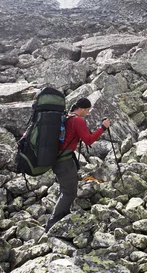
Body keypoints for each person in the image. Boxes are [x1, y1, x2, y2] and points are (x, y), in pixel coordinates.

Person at [45, 98, 111, 231]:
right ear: (81, 109)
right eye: (87, 110)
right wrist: (103, 128)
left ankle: (63, 216)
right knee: (69, 193)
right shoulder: (77, 120)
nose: (87, 113)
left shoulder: (68, 117)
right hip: (64, 161)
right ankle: (52, 224)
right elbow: (88, 140)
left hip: (59, 159)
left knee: (68, 189)